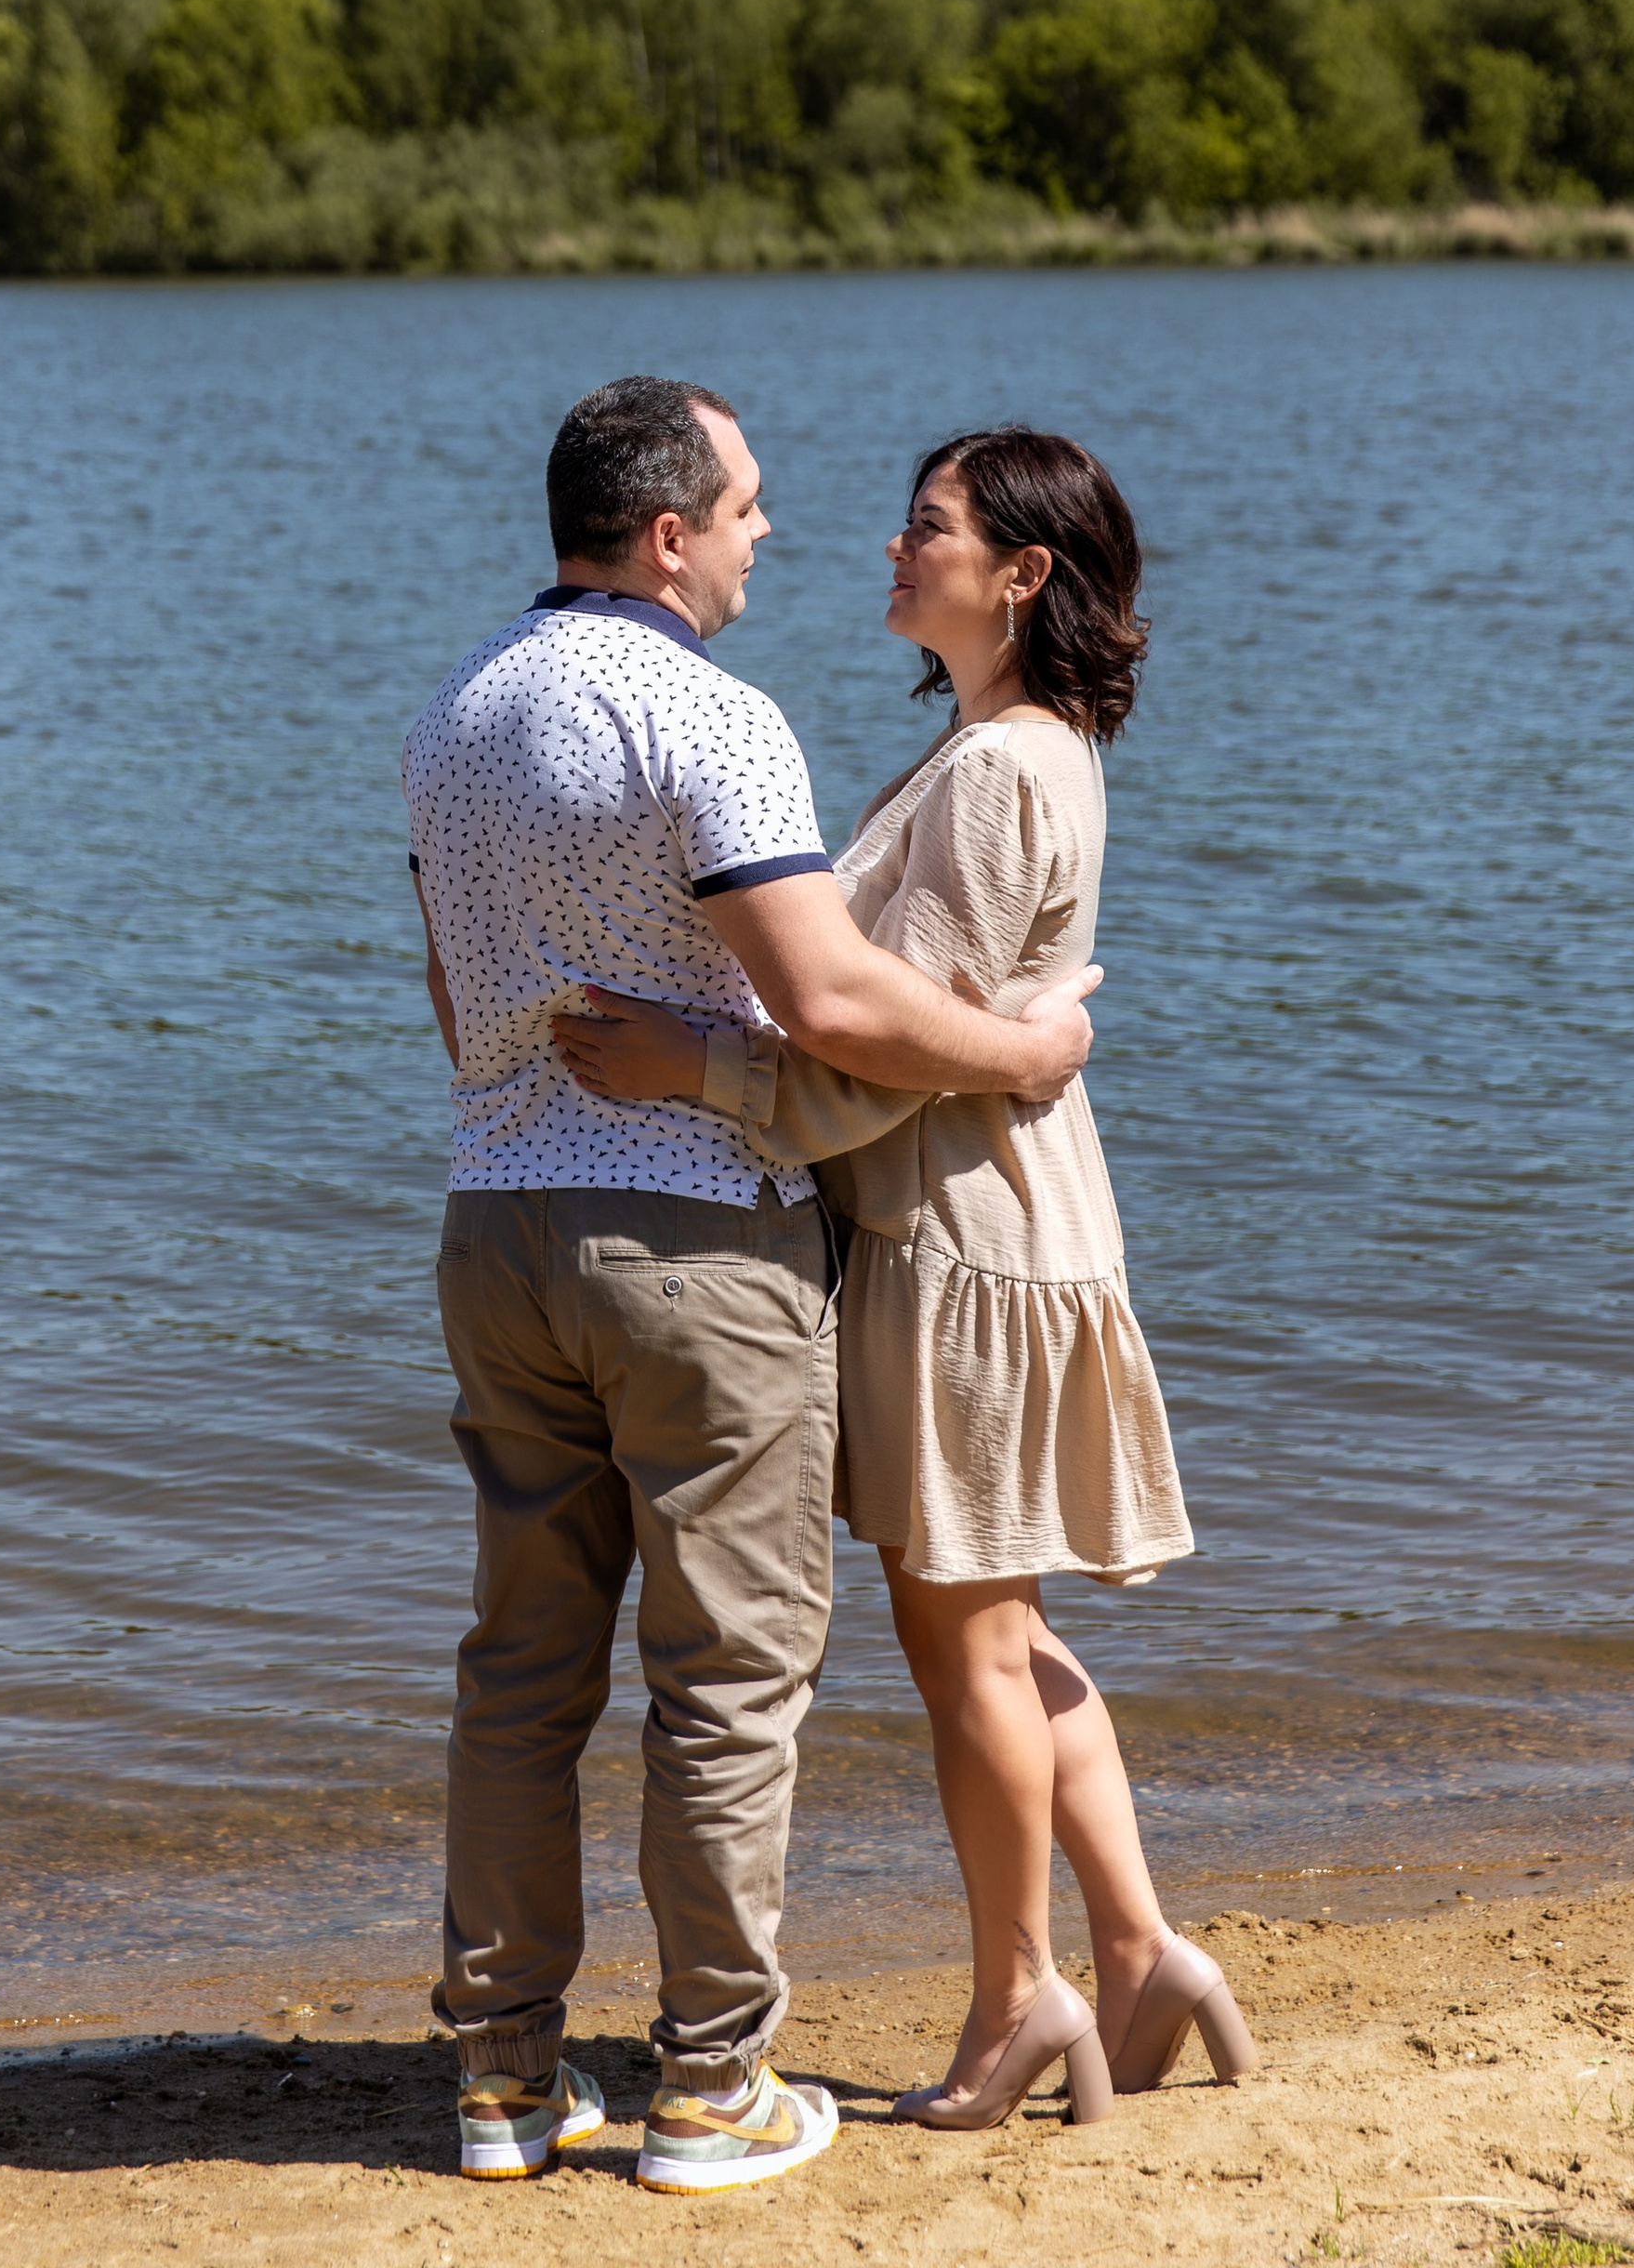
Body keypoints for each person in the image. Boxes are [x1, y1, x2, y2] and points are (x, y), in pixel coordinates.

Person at [402, 376, 1103, 2195]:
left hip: (495, 1223)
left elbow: (457, 1006)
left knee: (518, 1670)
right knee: (724, 1679)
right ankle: (711, 2087)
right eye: (744, 508)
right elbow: (832, 1001)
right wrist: (1025, 1056)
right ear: (667, 536)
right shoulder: (707, 715)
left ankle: (503, 2079)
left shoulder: (454, 710)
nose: (765, 534)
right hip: (694, 1244)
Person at [554, 425, 1258, 2131]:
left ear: (1022, 573)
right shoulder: (1003, 751)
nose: (890, 544)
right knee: (1005, 1632)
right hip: (993, 1226)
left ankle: (1021, 2002)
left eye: (928, 526)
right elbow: (937, 1032)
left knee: (969, 1657)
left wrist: (695, 1070)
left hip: (958, 1245)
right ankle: (1141, 1950)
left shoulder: (1001, 771)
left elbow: (886, 1058)